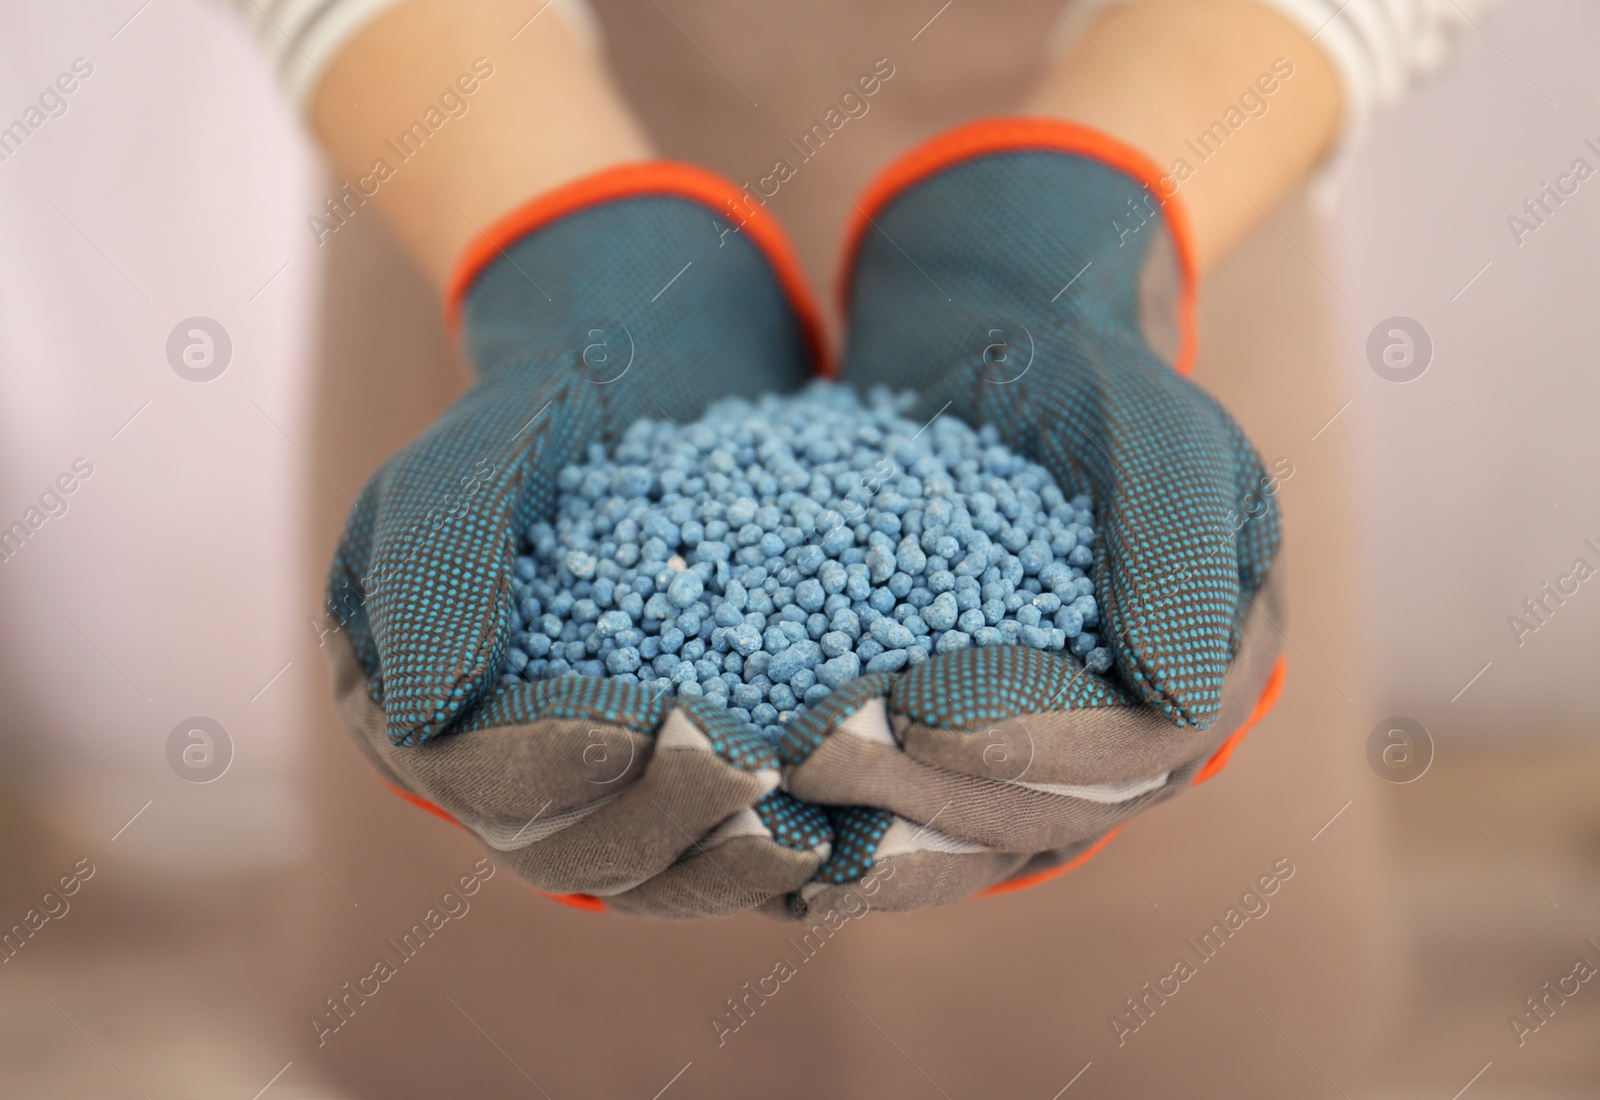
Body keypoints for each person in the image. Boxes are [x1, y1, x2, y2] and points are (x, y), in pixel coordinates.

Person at [231, 0, 1485, 1093]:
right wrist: (563, 240)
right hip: (494, 192)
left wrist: (1070, 215)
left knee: (1148, 954)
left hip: (1148, 225)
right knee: (517, 945)